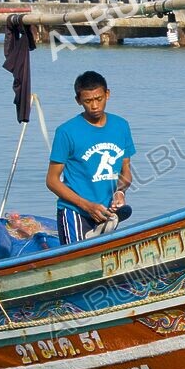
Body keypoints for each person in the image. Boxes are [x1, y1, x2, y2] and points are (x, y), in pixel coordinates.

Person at [47, 71, 135, 244]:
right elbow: (52, 180)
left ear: (107, 94)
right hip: (75, 212)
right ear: (78, 101)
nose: (95, 106)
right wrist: (86, 205)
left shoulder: (121, 126)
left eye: (99, 99)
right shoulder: (66, 132)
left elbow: (126, 171)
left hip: (106, 211)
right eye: (88, 101)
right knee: (76, 260)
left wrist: (120, 192)